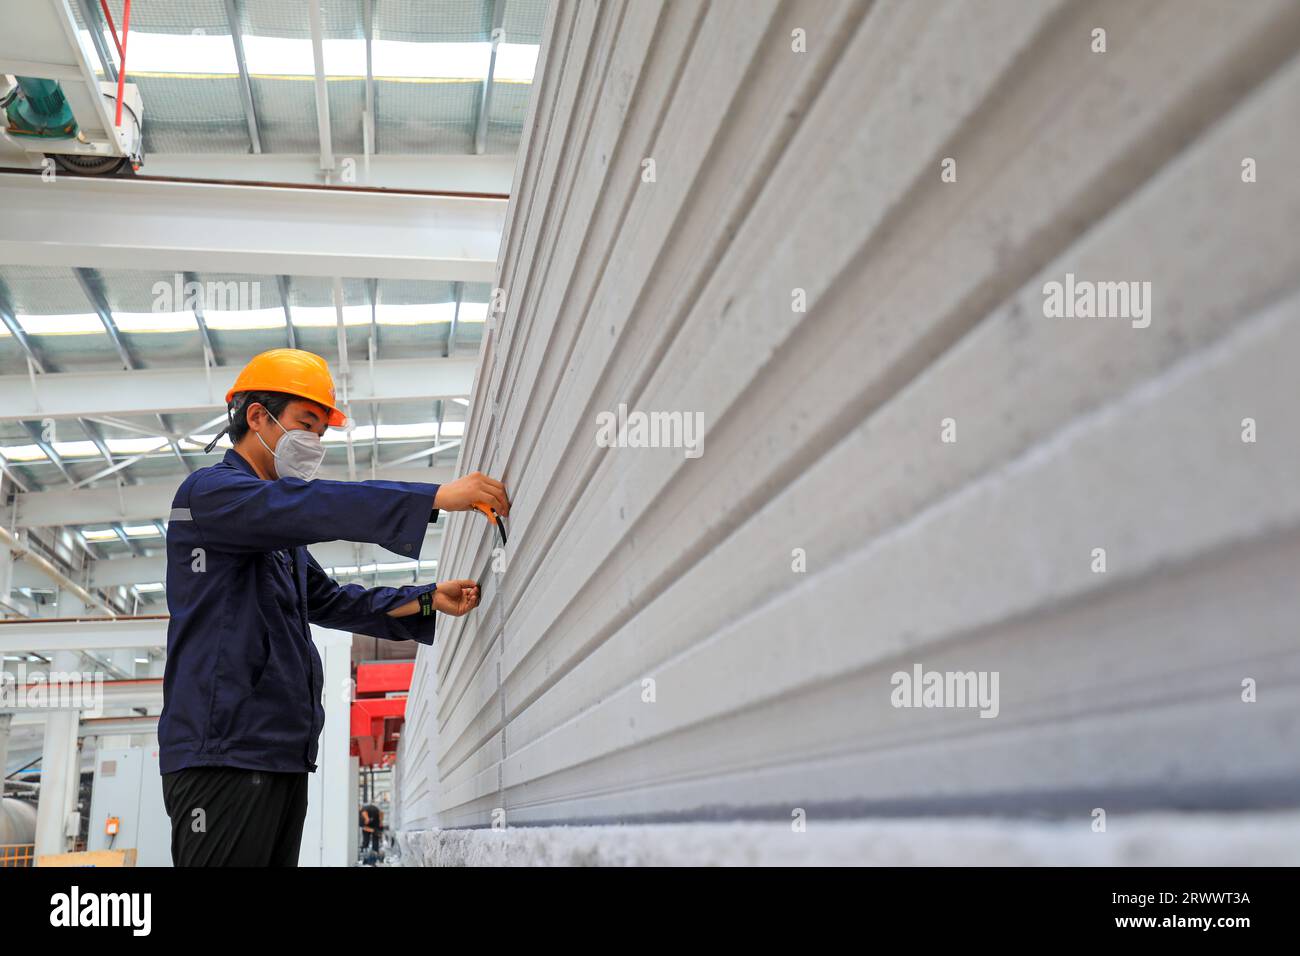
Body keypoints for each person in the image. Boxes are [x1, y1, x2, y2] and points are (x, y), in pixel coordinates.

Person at [158, 348, 509, 867]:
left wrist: (424, 599)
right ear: (258, 416)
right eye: (305, 424)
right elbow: (311, 505)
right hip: (223, 753)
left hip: (278, 754)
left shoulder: (277, 534)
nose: (313, 444)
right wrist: (432, 496)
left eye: (321, 433)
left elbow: (330, 600)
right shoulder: (210, 495)